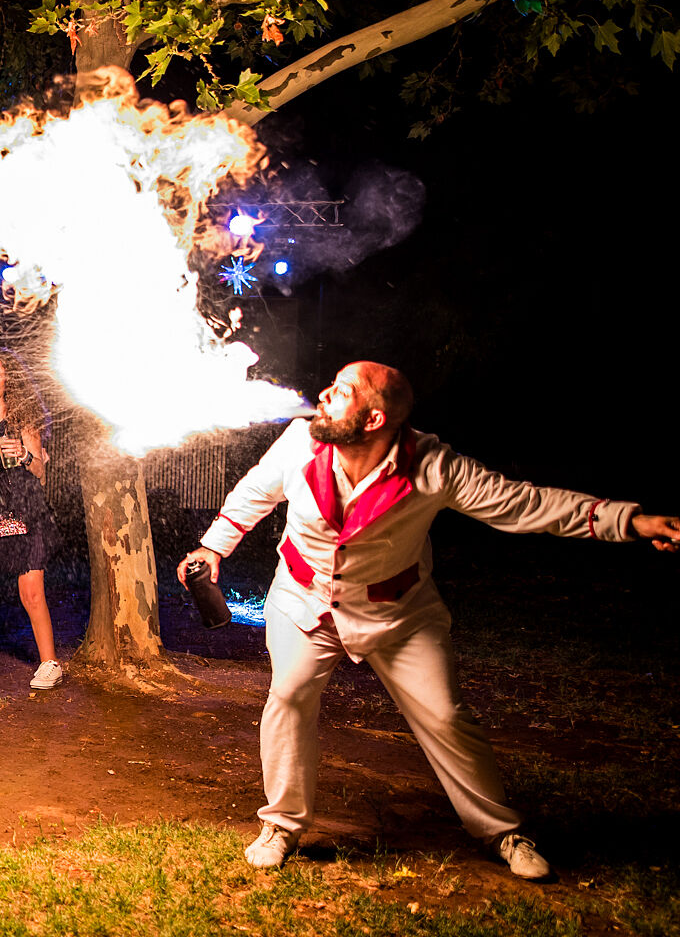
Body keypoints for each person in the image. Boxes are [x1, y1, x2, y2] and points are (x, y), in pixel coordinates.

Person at [180, 361, 680, 881]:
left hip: (397, 614)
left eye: (343, 391)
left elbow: (525, 503)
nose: (325, 394)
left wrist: (631, 520)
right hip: (303, 602)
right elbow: (255, 493)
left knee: (444, 716)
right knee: (288, 697)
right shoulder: (300, 442)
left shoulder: (435, 467)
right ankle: (281, 825)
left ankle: (501, 832)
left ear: (374, 419)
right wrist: (213, 546)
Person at [0, 348, 62, 689]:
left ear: (9, 383)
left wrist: (25, 455)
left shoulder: (21, 420)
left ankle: (50, 663)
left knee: (31, 591)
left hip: (23, 507)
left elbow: (40, 472)